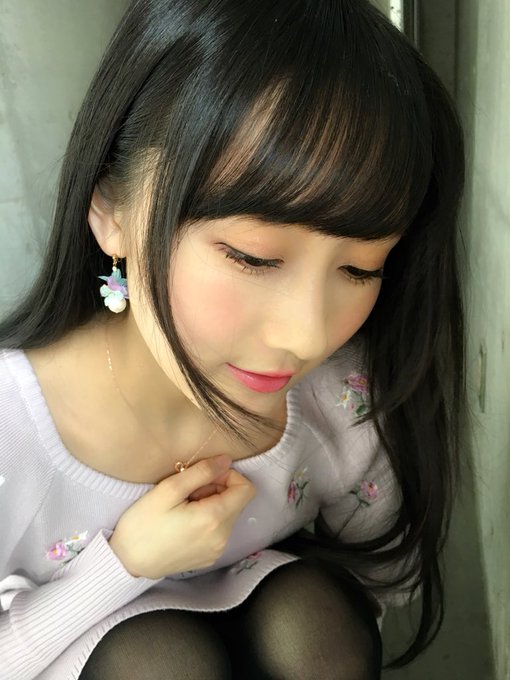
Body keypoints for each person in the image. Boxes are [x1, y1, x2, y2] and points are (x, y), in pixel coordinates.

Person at [0, 0, 465, 678]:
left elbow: (383, 578)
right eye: (252, 257)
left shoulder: (341, 395)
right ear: (111, 211)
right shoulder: (12, 431)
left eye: (360, 269)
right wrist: (121, 567)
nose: (306, 335)